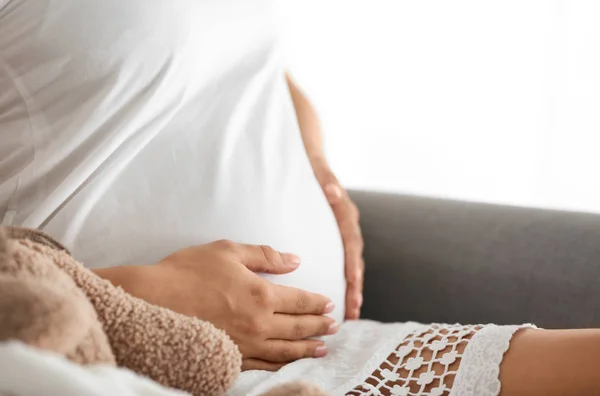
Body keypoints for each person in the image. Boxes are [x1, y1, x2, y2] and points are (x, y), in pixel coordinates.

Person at [1, 1, 600, 395]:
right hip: (130, 359)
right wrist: (137, 298)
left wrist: (314, 166)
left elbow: (254, 66)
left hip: (323, 349)